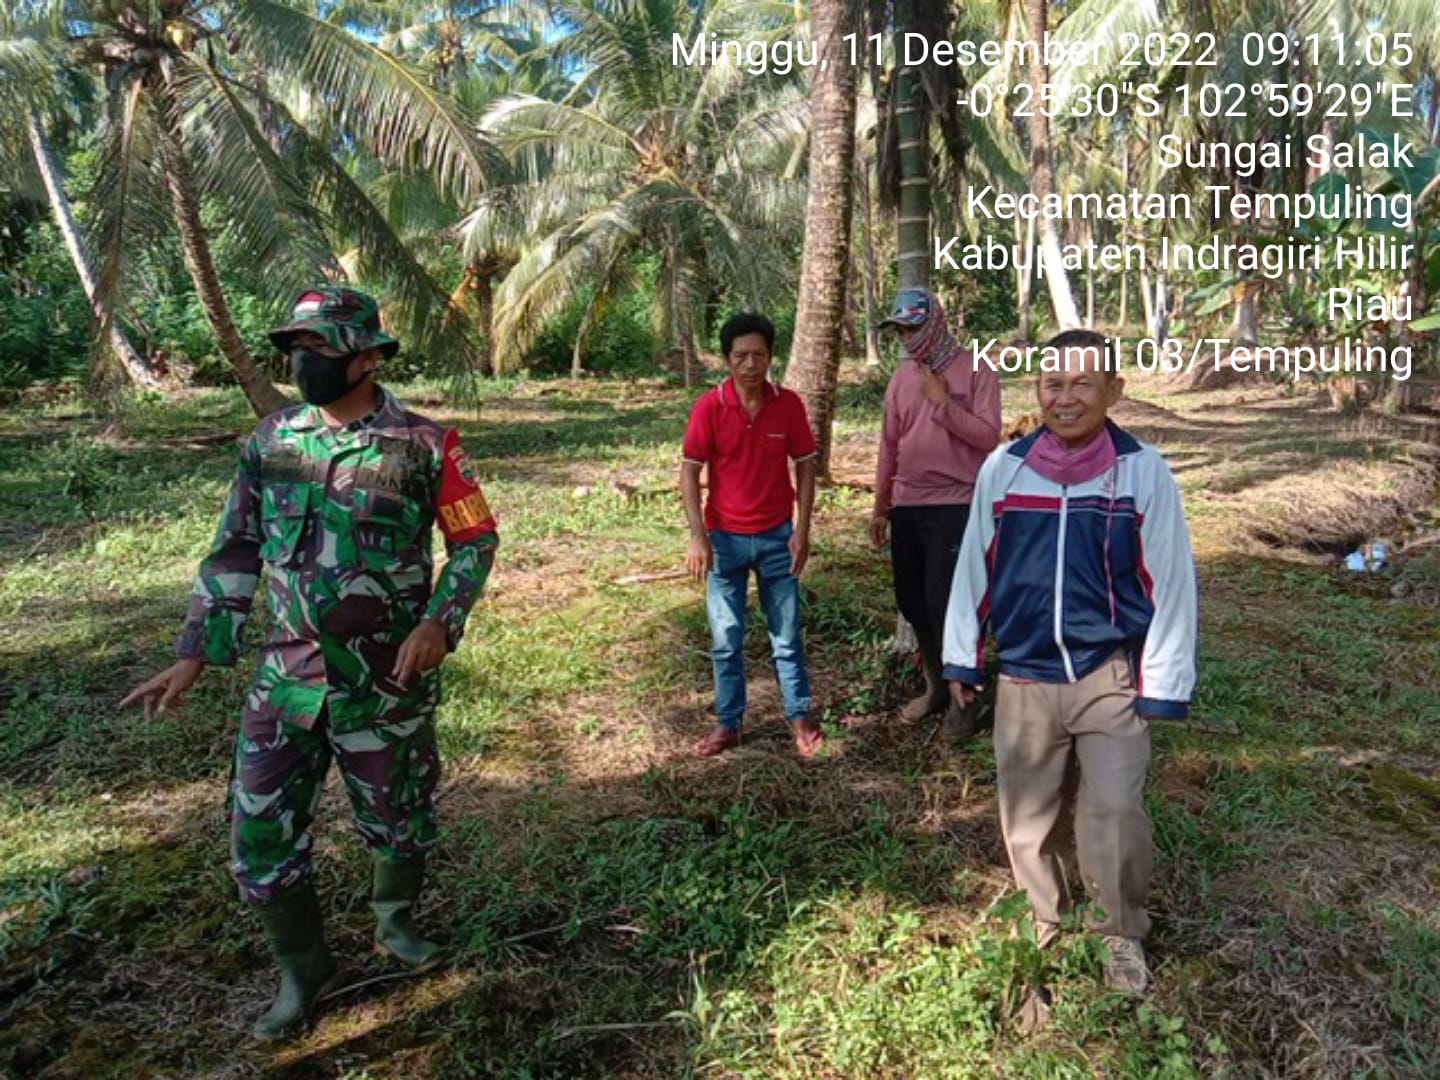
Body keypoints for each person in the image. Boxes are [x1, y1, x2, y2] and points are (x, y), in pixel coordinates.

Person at [121, 287, 499, 1039]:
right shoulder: (271, 443)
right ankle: (303, 970)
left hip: (387, 680)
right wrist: (195, 653)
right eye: (294, 347)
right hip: (285, 680)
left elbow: (474, 541)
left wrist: (438, 623)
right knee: (259, 834)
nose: (301, 362)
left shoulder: (426, 446)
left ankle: (396, 923)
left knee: (400, 819)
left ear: (366, 356)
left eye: (317, 348)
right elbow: (234, 549)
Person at [942, 329, 1197, 995]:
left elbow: (1169, 581)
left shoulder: (1142, 470)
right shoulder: (1006, 467)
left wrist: (1161, 682)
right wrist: (961, 657)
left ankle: (1120, 934)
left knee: (1114, 807)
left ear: (1114, 390)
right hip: (1024, 675)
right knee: (1028, 816)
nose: (1066, 397)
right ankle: (1046, 922)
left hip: (1106, 675)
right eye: (1053, 383)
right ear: (1038, 390)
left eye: (1083, 383)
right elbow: (975, 565)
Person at [680, 312, 823, 759]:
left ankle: (799, 718)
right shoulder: (709, 406)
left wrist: (802, 529)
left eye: (758, 355)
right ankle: (729, 724)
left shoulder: (789, 405)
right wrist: (697, 537)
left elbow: (804, 464)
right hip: (724, 540)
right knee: (726, 640)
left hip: (779, 537)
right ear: (727, 359)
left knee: (787, 634)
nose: (749, 365)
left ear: (770, 357)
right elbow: (689, 472)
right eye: (740, 356)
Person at [870, 287, 1002, 738]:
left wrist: (943, 403)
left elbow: (988, 437)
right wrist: (880, 506)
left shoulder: (976, 369)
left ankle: (966, 701)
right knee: (913, 602)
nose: (907, 337)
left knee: (949, 606)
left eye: (914, 326)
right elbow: (889, 444)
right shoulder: (901, 377)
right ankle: (936, 687)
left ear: (936, 322)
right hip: (908, 504)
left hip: (957, 503)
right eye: (900, 329)